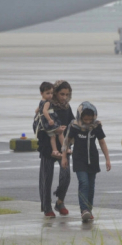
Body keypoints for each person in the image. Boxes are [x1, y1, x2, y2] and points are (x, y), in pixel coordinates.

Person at [61, 102, 111, 223]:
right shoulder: (74, 126)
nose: (88, 121)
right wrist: (64, 157)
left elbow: (102, 142)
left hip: (93, 159)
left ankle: (89, 209)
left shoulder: (96, 126)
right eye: (85, 119)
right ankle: (84, 210)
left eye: (90, 119)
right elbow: (66, 142)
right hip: (79, 159)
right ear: (80, 116)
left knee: (91, 185)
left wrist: (107, 159)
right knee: (84, 183)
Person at [37, 80, 73, 217]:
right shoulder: (46, 105)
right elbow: (39, 124)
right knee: (47, 178)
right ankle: (47, 207)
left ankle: (60, 201)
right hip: (48, 146)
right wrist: (54, 129)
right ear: (55, 93)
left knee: (66, 176)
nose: (64, 97)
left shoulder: (67, 107)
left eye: (67, 95)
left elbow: (72, 124)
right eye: (61, 94)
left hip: (63, 146)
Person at [35, 82, 63, 159]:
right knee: (60, 132)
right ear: (42, 93)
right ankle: (64, 148)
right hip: (49, 122)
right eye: (48, 93)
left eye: (51, 93)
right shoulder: (47, 102)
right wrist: (50, 119)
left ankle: (54, 150)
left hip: (44, 124)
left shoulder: (41, 102)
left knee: (52, 136)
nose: (50, 95)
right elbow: (44, 111)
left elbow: (36, 110)